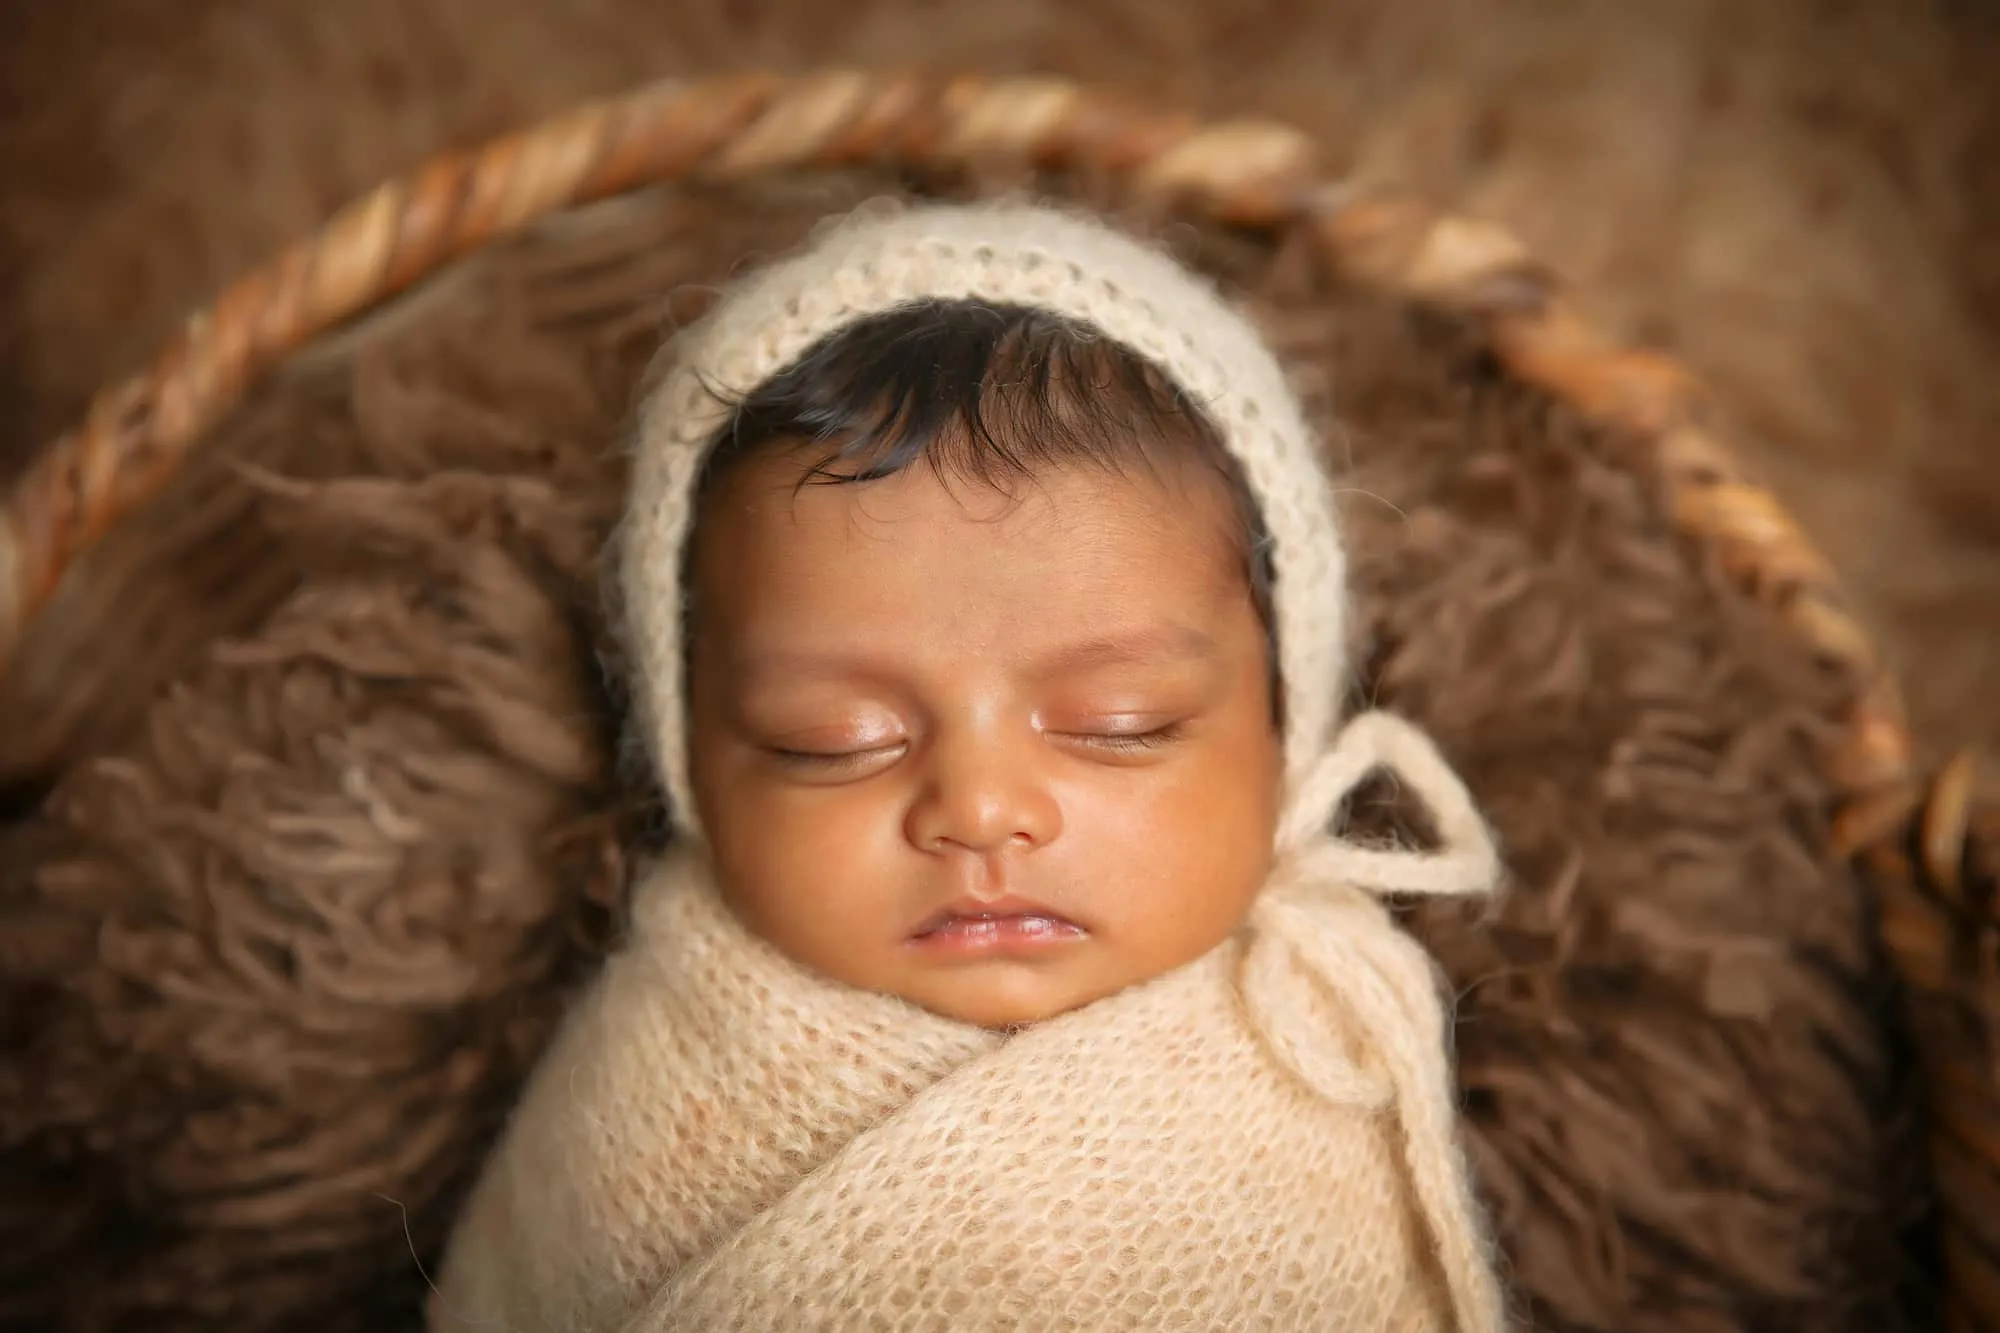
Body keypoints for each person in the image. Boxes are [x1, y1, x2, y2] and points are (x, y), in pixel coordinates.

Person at [429, 202, 1510, 1332]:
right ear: (691, 759)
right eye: (832, 738)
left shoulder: (1328, 1049)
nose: (980, 811)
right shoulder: (638, 1115)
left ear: (1285, 728)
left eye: (1118, 721)